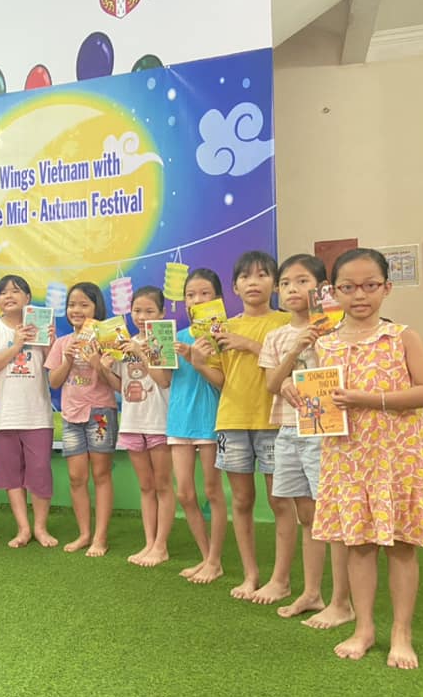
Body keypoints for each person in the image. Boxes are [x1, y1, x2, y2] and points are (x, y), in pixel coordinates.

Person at [313, 248, 423, 669]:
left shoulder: (403, 336)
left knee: (402, 545)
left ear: (386, 287)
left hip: (396, 457)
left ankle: (402, 632)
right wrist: (303, 398)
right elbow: (322, 401)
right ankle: (363, 627)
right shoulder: (325, 345)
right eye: (348, 287)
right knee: (358, 544)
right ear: (333, 291)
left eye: (370, 285)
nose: (359, 295)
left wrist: (369, 400)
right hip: (347, 457)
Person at [258, 254, 353, 628]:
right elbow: (271, 383)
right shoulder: (276, 336)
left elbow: (345, 374)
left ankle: (342, 601)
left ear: (322, 288)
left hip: (327, 431)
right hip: (288, 429)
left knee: (333, 516)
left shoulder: (337, 328)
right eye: (285, 283)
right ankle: (312, 593)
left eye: (302, 281)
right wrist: (296, 349)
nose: (292, 289)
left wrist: (322, 336)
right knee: (307, 515)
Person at [213, 251, 292, 602]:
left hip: (274, 421)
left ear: (275, 284)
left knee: (280, 502)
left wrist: (248, 345)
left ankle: (281, 579)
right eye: (245, 277)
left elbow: (291, 366)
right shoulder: (223, 327)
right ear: (234, 287)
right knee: (242, 500)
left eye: (262, 275)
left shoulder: (286, 322)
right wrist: (198, 361)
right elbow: (221, 379)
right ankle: (250, 574)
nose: (253, 282)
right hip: (231, 420)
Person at [0, 275, 58, 549]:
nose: (9, 296)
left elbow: (54, 370)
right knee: (11, 474)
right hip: (3, 415)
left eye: (15, 291)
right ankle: (23, 529)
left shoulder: (41, 326)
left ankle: (41, 528)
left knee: (40, 471)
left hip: (37, 414)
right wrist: (15, 345)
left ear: (28, 298)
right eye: (3, 292)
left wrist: (49, 343)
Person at [46, 282, 119, 556]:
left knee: (101, 474)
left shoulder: (107, 341)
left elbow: (117, 384)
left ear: (96, 308)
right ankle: (84, 534)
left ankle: (100, 537)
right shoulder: (62, 343)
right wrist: (67, 360)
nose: (76, 310)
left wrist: (96, 362)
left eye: (84, 305)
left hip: (100, 413)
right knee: (76, 477)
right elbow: (54, 382)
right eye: (72, 305)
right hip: (71, 415)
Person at [167, 268, 227, 583]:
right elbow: (163, 380)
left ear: (218, 298)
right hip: (179, 421)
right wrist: (148, 355)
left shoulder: (222, 336)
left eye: (205, 293)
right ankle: (206, 557)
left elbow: (224, 383)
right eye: (190, 295)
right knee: (185, 494)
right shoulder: (174, 336)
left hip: (210, 421)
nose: (197, 300)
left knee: (212, 491)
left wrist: (195, 358)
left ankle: (215, 561)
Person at [107, 287, 172, 566]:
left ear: (162, 313)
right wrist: (102, 367)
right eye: (137, 311)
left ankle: (161, 546)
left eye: (149, 311)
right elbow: (120, 386)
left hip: (159, 422)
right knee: (146, 486)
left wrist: (141, 352)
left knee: (163, 486)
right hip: (132, 422)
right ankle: (149, 542)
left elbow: (164, 380)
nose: (142, 316)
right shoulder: (125, 343)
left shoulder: (162, 339)